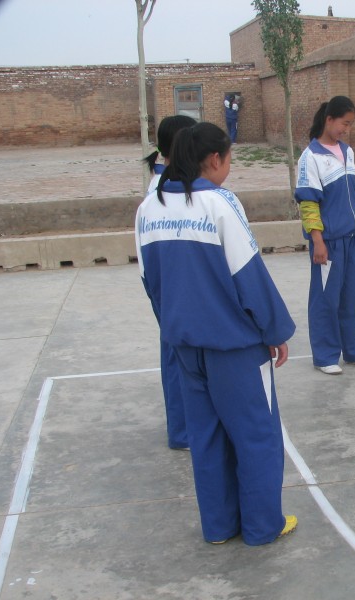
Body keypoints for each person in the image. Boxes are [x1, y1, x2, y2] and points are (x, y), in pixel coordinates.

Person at [135, 122, 297, 545]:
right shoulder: (220, 204)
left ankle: (219, 526)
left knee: (206, 438)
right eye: (229, 159)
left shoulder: (149, 207)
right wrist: (275, 330)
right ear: (214, 159)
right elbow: (249, 275)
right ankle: (262, 526)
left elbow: (150, 282)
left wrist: (175, 328)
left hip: (185, 345)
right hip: (234, 347)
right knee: (256, 436)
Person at [294, 95, 355, 375]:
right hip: (329, 242)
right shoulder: (310, 158)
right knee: (326, 300)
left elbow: (353, 193)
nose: (347, 129)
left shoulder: (348, 152)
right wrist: (317, 241)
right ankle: (325, 356)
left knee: (351, 296)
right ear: (329, 119)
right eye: (344, 123)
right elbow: (308, 203)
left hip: (353, 238)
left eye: (351, 124)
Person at [141, 114, 196, 450]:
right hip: (171, 284)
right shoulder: (160, 191)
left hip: (172, 283)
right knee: (178, 356)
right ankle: (182, 431)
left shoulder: (174, 182)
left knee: (182, 355)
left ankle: (187, 427)